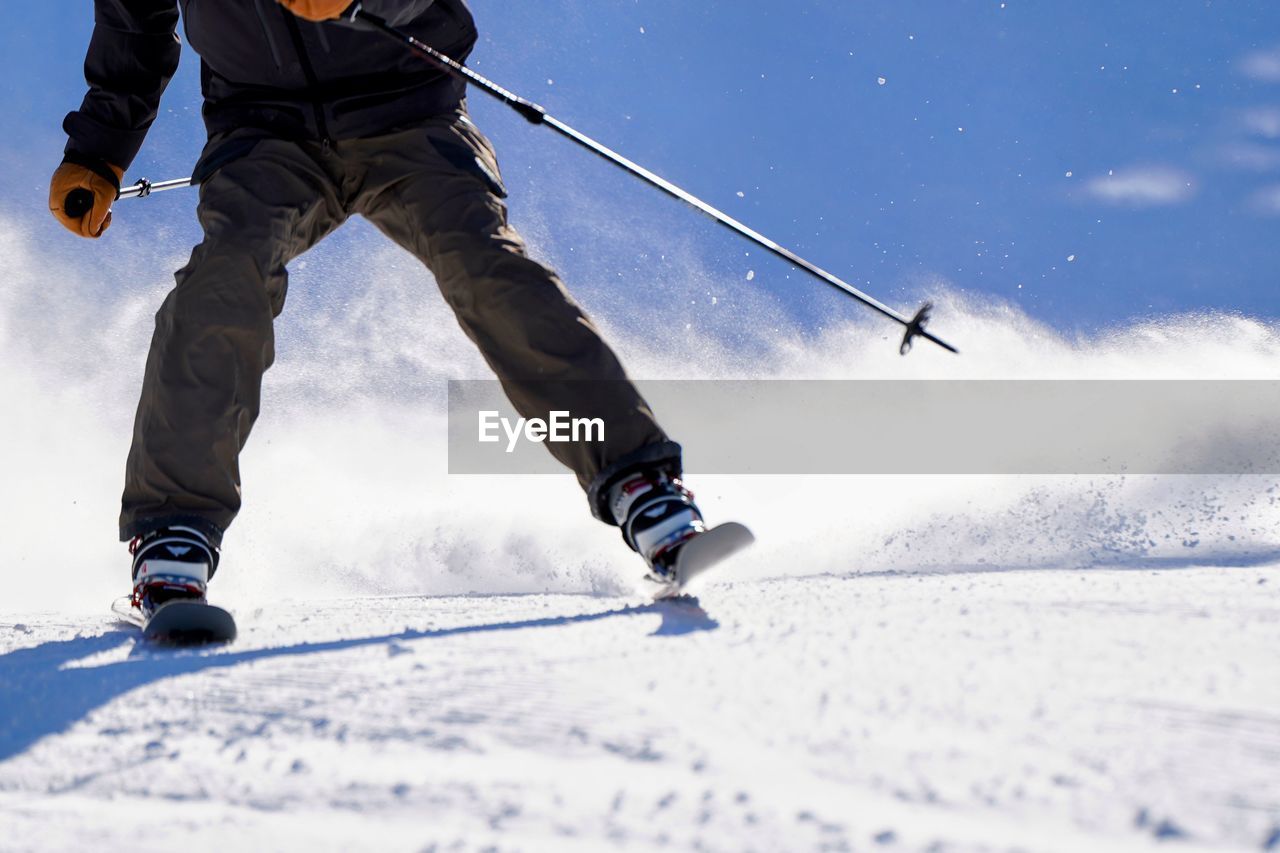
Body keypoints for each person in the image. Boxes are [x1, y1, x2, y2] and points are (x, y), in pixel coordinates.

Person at [50, 0, 706, 617]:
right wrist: (98, 154)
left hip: (408, 112)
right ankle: (173, 537)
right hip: (264, 133)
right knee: (226, 275)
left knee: (482, 261)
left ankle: (640, 483)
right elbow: (135, 28)